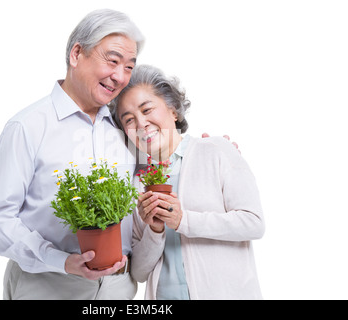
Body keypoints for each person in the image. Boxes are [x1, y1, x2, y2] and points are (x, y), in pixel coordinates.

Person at [0, 9, 145, 300]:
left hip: (119, 288)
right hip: (49, 285)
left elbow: (162, 160)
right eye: (113, 61)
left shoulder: (125, 126)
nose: (120, 77)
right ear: (76, 54)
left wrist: (208, 151)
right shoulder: (28, 127)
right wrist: (61, 261)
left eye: (129, 67)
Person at [109, 64, 265, 300]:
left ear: (173, 110)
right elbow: (140, 273)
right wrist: (155, 229)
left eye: (147, 109)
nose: (141, 124)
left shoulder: (216, 150)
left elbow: (253, 223)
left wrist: (183, 220)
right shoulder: (137, 185)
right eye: (129, 120)